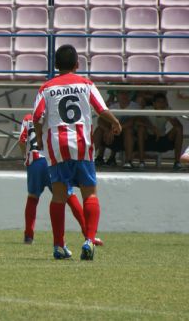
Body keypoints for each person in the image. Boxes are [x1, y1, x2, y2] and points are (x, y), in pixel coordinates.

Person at [32, 45, 121, 261]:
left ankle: (59, 246)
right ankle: (89, 240)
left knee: (60, 196)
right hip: (82, 144)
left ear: (55, 65)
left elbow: (37, 117)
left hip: (57, 147)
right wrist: (115, 123)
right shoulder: (86, 84)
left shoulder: (46, 88)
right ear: (77, 64)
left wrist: (40, 140)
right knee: (89, 193)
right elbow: (101, 110)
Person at [19, 113, 103, 247]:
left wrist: (26, 156)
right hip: (51, 160)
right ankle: (88, 235)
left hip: (34, 162)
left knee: (33, 198)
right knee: (68, 195)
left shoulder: (28, 118)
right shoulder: (53, 115)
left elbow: (22, 140)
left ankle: (28, 235)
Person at [93, 90, 141, 169]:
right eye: (122, 93)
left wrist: (112, 131)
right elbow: (100, 120)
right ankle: (90, 158)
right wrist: (107, 130)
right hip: (112, 134)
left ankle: (128, 161)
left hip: (128, 135)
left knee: (128, 131)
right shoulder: (112, 106)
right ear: (117, 95)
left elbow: (132, 122)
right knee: (99, 130)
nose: (124, 95)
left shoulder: (135, 106)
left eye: (126, 93)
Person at [138, 93, 184, 171]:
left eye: (163, 102)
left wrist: (166, 115)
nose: (161, 104)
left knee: (178, 129)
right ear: (154, 103)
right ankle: (141, 162)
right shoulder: (148, 109)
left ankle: (177, 162)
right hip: (148, 138)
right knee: (141, 129)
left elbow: (179, 126)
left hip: (162, 139)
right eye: (159, 102)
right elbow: (137, 121)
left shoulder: (168, 110)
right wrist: (152, 128)